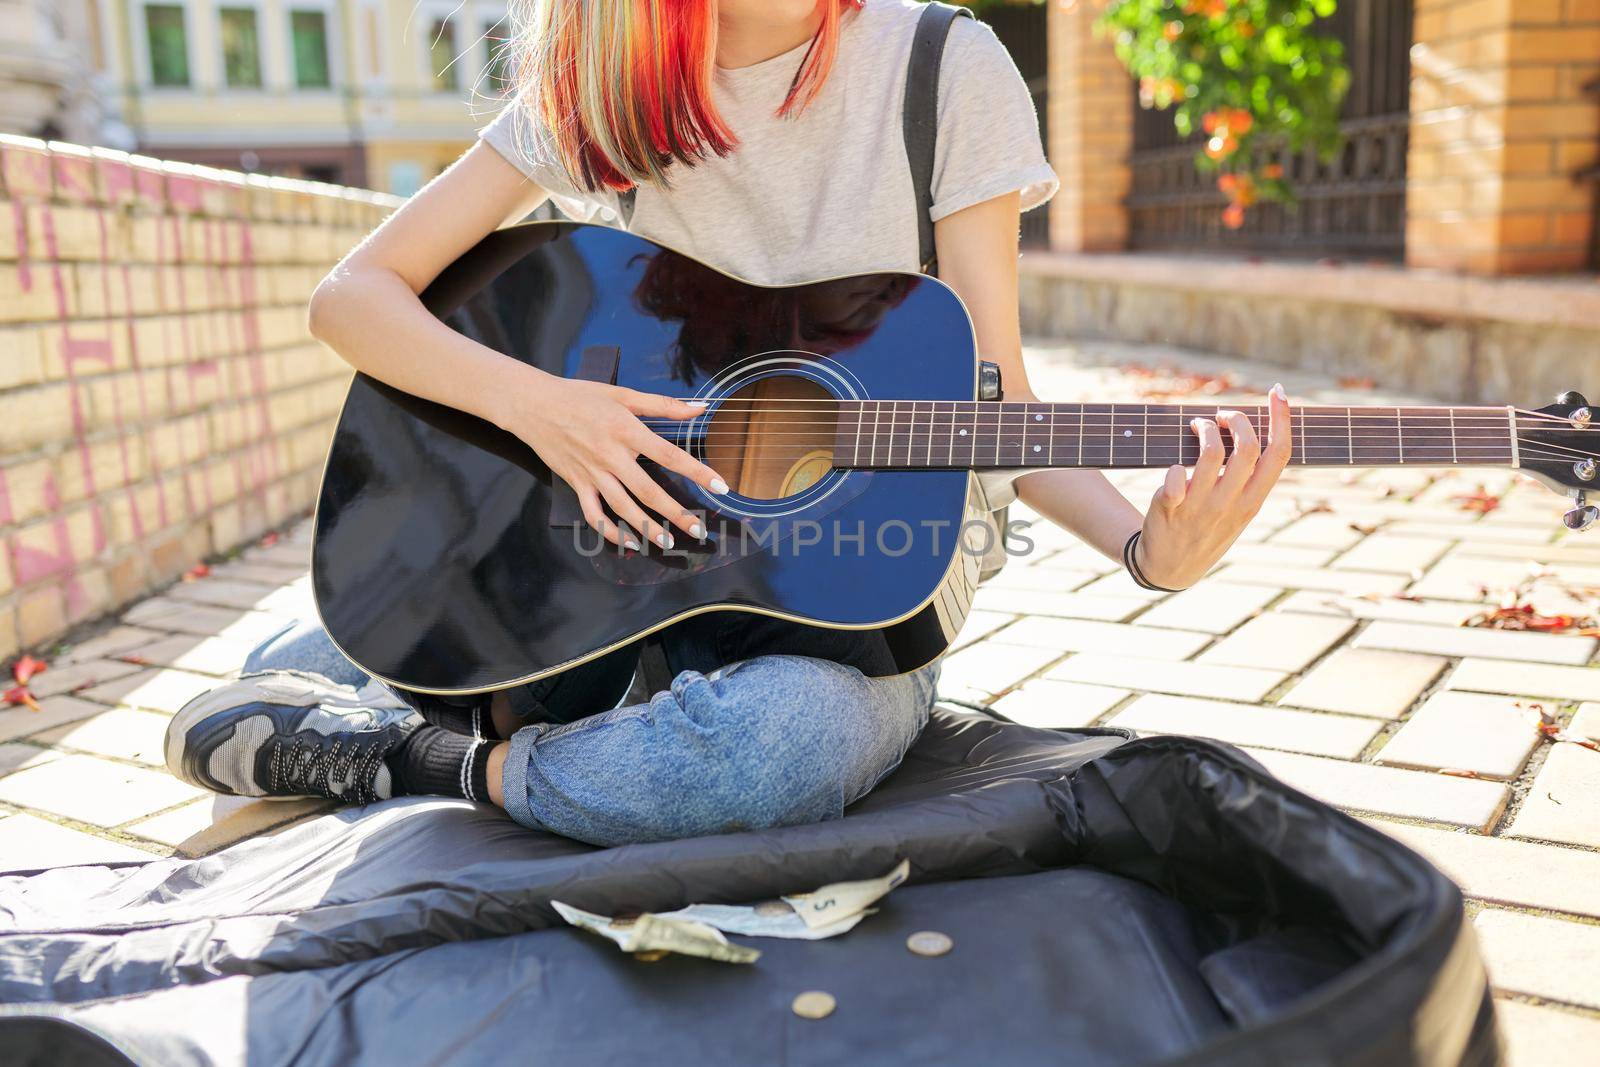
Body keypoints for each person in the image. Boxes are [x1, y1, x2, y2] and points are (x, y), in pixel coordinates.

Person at [164, 0, 1291, 847]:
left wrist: (1151, 554)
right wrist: (547, 410)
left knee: (777, 753)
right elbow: (351, 298)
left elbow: (996, 403)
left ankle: (419, 761)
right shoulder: (609, 81)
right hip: (624, 561)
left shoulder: (944, 65)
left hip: (851, 603)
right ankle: (516, 718)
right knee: (283, 664)